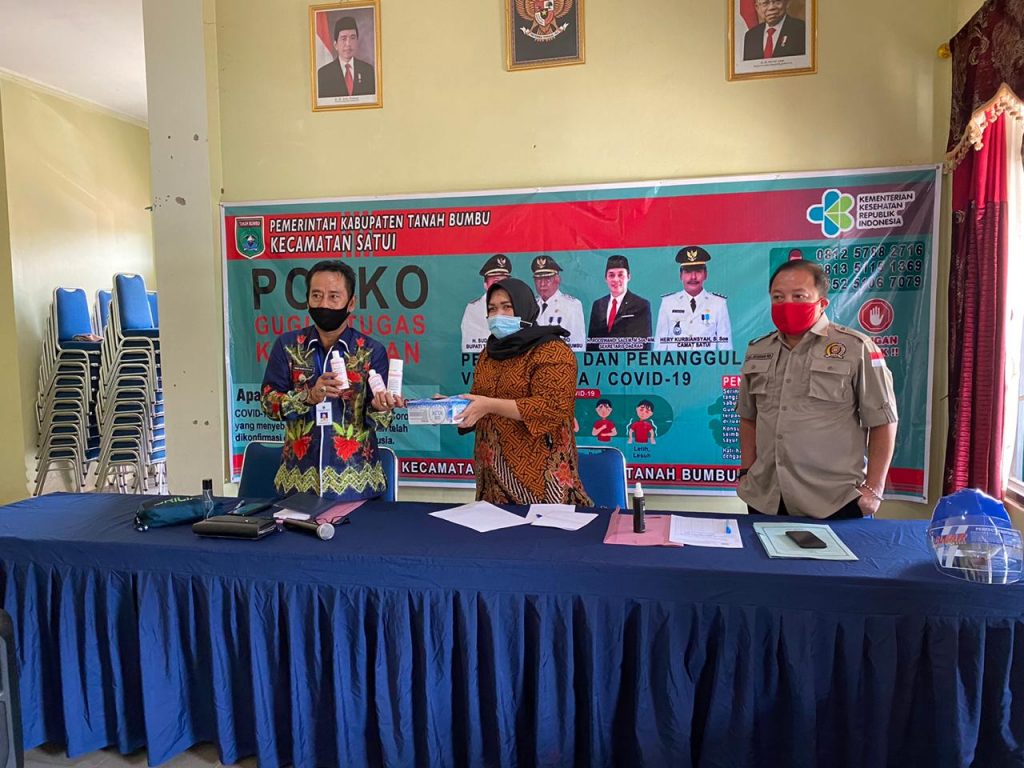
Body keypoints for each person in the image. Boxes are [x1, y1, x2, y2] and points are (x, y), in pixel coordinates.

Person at [736, 259, 898, 520]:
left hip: (835, 501)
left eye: (799, 296)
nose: (787, 304)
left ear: (822, 303)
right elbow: (748, 417)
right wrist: (746, 472)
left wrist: (874, 489)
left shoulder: (857, 348)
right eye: (778, 297)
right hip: (766, 498)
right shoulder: (758, 349)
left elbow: (883, 420)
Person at [260, 260, 403, 500]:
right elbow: (267, 403)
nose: (324, 304)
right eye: (316, 296)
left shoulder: (370, 351)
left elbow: (383, 420)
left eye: (334, 297)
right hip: (298, 482)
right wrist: (308, 397)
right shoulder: (288, 346)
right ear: (307, 300)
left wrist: (380, 408)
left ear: (351, 303)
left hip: (357, 484)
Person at [457, 277, 592, 505]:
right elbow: (478, 402)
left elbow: (551, 407)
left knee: (542, 529)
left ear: (524, 307)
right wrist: (450, 407)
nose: (498, 315)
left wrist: (489, 405)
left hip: (541, 480)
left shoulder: (552, 350)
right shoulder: (489, 354)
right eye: (492, 309)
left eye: (506, 307)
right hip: (491, 481)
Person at [654, 246, 733, 351]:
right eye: (688, 272)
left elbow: (725, 347)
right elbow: (660, 345)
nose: (693, 277)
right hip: (676, 361)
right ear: (681, 275)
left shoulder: (718, 304)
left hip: (706, 361)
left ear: (705, 274)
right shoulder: (668, 303)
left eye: (698, 271)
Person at [587, 255, 652, 351]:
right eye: (611, 275)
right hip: (601, 360)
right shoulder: (598, 305)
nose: (616, 279)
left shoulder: (641, 305)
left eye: (620, 275)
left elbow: (644, 344)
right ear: (605, 278)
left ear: (629, 277)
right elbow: (591, 343)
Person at [532, 255, 585, 351]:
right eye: (538, 279)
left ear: (557, 280)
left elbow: (578, 344)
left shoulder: (572, 305)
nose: (542, 284)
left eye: (547, 279)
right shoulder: (530, 305)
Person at [461, 254, 512, 352]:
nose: (500, 287)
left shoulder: (517, 305)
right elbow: (471, 347)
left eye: (504, 282)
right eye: (495, 282)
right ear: (485, 284)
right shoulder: (474, 309)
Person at [317, 16, 376, 98]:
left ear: (357, 42)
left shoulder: (368, 71)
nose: (348, 43)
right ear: (335, 45)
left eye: (352, 38)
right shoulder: (323, 74)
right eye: (343, 38)